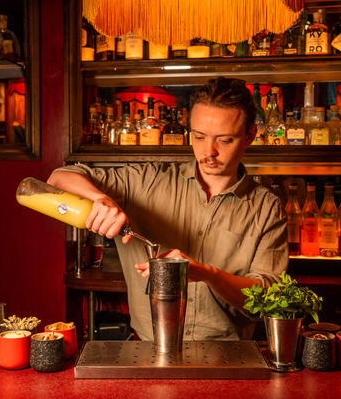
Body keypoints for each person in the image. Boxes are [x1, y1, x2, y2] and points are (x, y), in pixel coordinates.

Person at [47, 77, 288, 341]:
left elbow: (270, 300)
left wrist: (207, 274)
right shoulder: (148, 180)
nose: (209, 151)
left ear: (250, 136)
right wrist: (100, 199)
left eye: (225, 140)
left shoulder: (267, 207)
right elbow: (59, 178)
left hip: (228, 356)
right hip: (148, 351)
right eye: (198, 136)